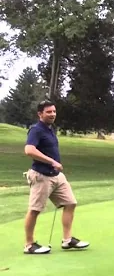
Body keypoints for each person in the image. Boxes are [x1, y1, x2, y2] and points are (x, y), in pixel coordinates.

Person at [22, 100, 89, 255]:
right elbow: (29, 150)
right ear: (40, 114)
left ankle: (67, 240)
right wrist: (52, 161)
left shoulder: (50, 129)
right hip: (41, 175)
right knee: (35, 210)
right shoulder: (36, 130)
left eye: (54, 111)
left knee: (70, 203)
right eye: (48, 112)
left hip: (57, 176)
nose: (52, 114)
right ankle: (29, 244)